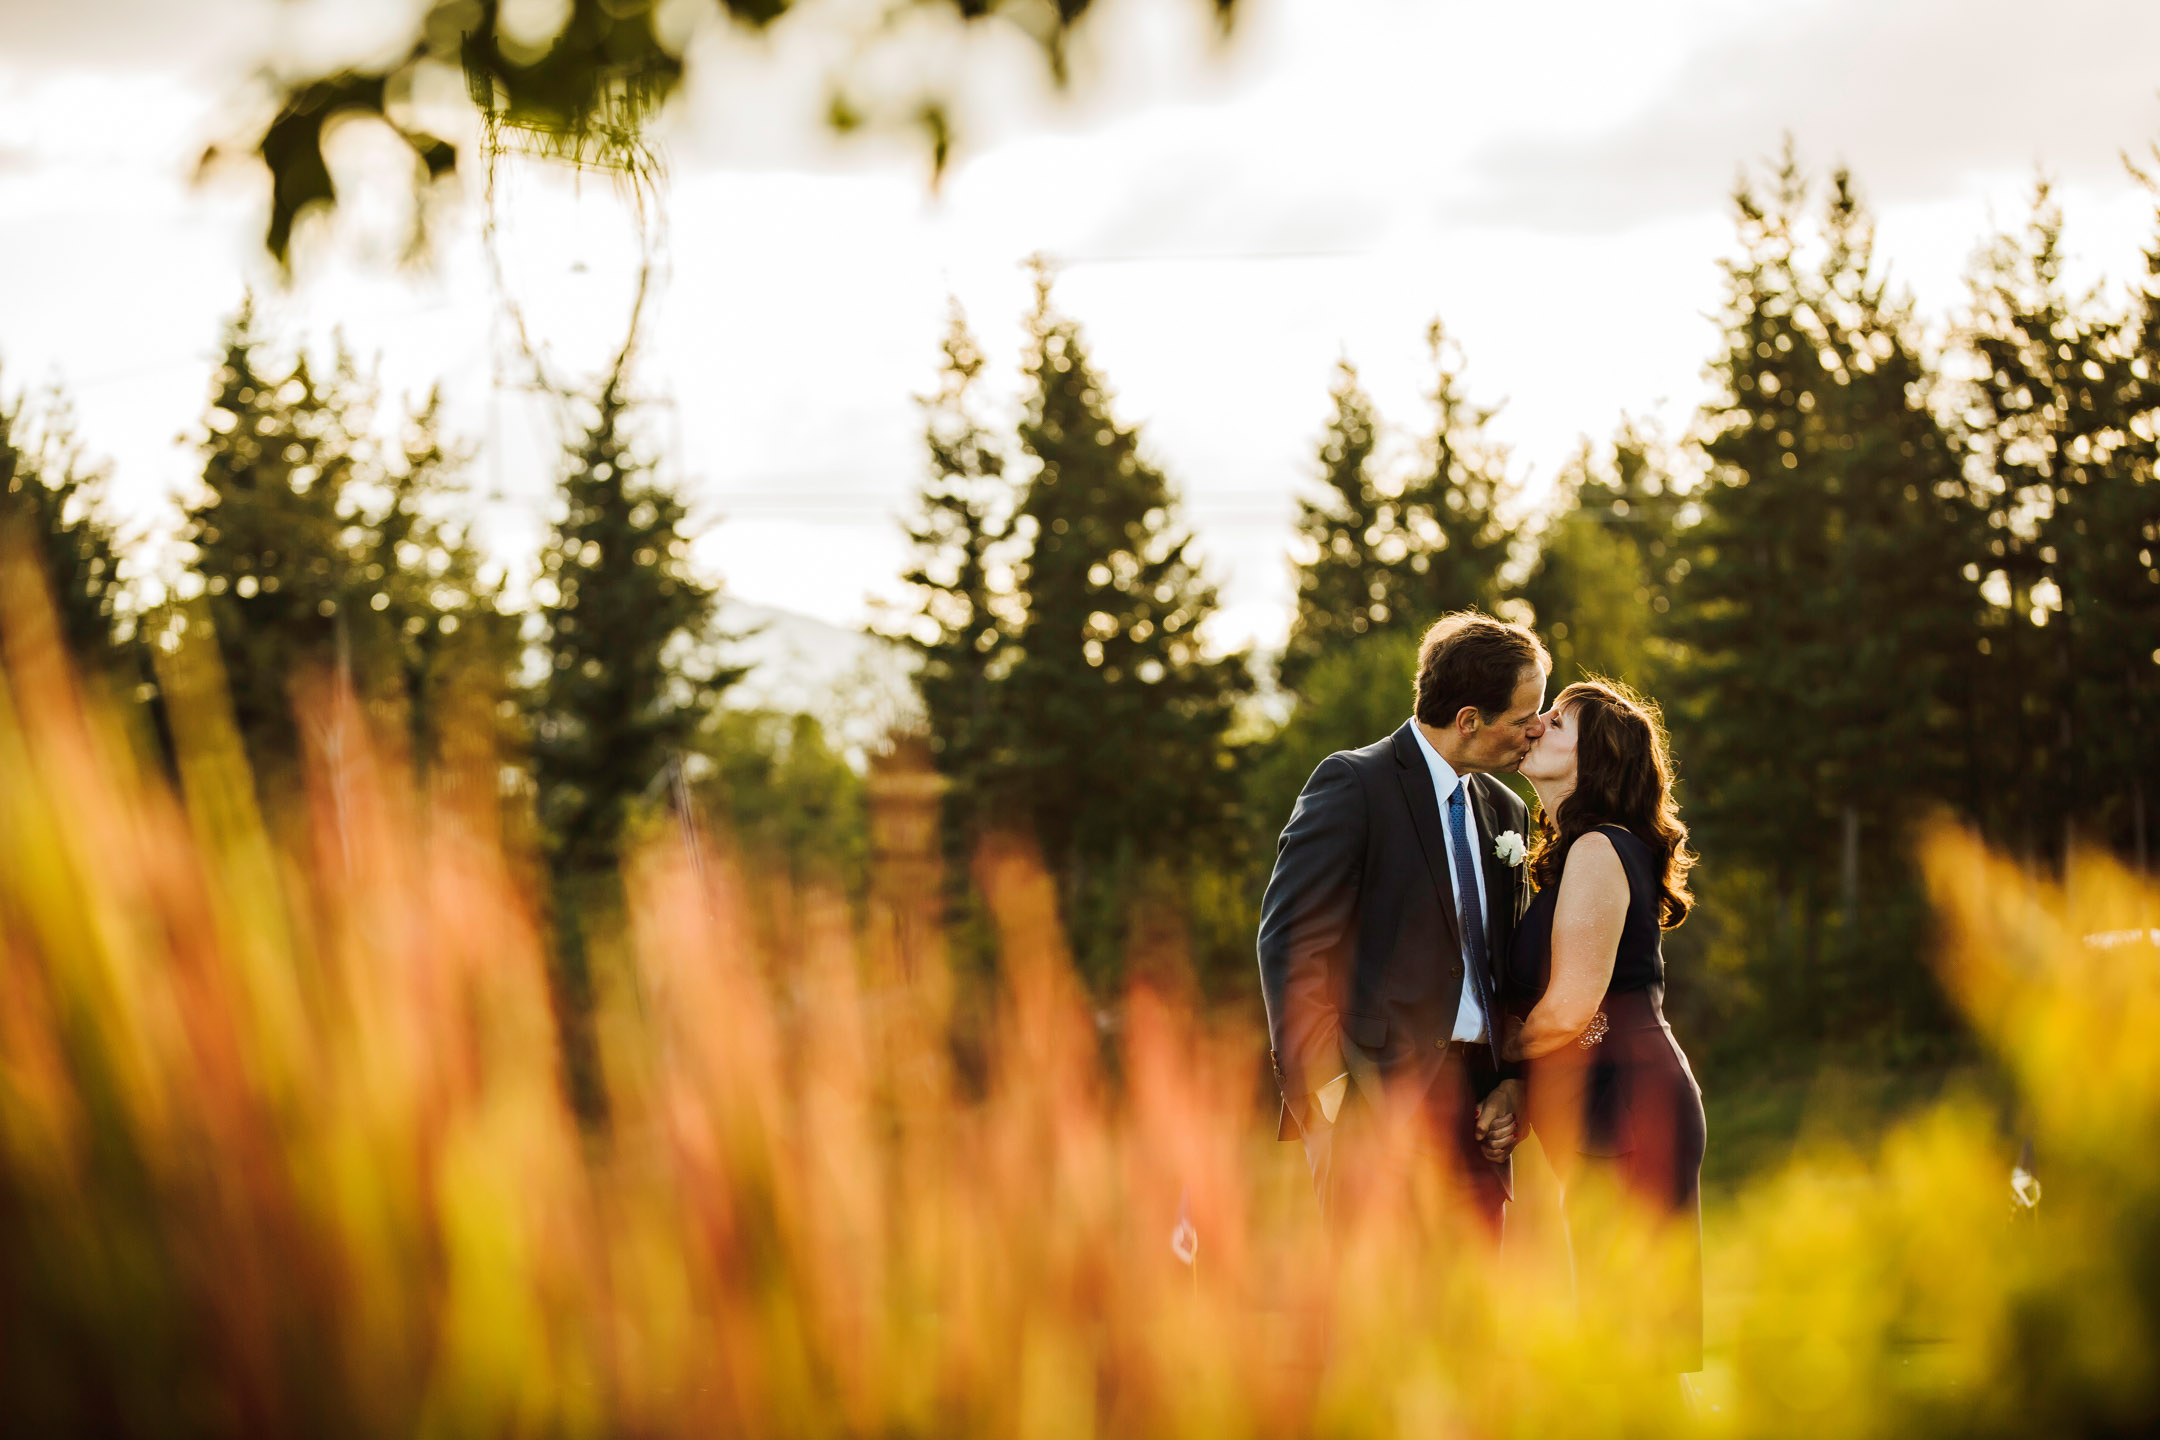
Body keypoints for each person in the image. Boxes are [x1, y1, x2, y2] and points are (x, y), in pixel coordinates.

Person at [1256, 612, 1548, 1236]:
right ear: (1469, 720)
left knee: (1471, 1315)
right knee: (1375, 1318)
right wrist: (1328, 1093)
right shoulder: (1354, 783)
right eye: (1525, 717)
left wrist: (1514, 1085)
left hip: (1478, 1117)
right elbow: (1291, 942)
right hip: (1371, 1103)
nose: (1536, 730)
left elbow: (1512, 969)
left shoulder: (1506, 810)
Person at [1479, 677, 1706, 1375]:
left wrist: (1474, 1056)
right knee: (1625, 1339)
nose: (1536, 724)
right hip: (1608, 1101)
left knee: (1631, 1341)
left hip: (1629, 1106)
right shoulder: (1578, 851)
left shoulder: (1602, 849)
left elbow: (1570, 1009)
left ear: (1596, 761)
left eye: (1557, 721)